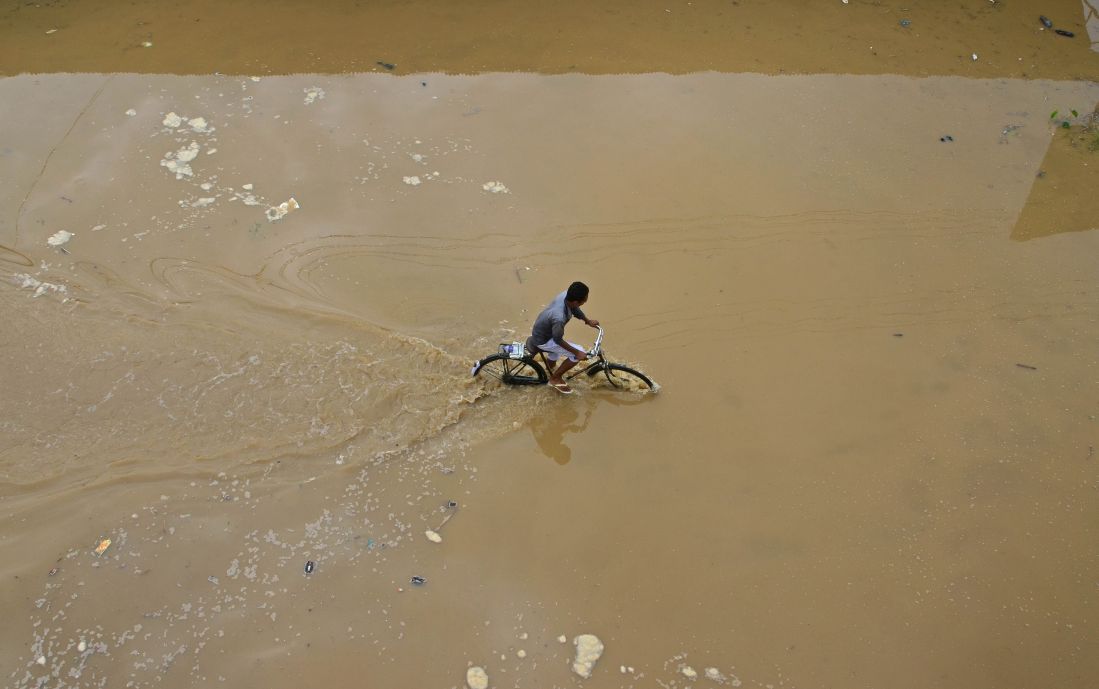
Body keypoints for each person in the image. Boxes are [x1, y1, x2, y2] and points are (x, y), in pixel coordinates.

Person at [526, 281, 600, 394]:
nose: (585, 301)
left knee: (556, 353)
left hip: (543, 331)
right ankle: (555, 378)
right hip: (544, 339)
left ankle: (549, 369)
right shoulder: (559, 317)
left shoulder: (566, 295)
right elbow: (557, 340)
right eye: (584, 300)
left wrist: (587, 321)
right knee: (579, 351)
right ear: (576, 301)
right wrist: (577, 353)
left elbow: (575, 309)